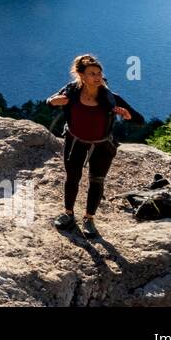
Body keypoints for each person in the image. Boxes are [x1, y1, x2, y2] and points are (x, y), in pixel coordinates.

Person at [45, 54, 143, 238]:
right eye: (92, 73)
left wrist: (128, 115)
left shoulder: (110, 98)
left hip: (102, 146)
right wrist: (53, 102)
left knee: (96, 181)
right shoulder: (72, 91)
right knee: (72, 178)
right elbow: (50, 101)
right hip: (75, 142)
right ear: (81, 75)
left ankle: (89, 219)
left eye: (99, 73)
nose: (97, 77)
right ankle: (68, 214)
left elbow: (140, 120)